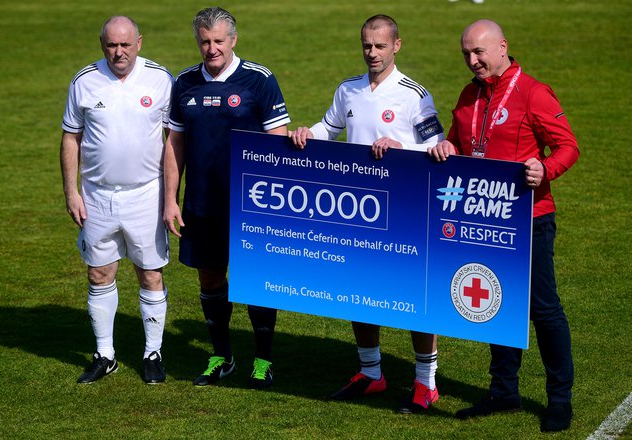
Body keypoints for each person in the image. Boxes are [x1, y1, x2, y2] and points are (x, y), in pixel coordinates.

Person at [428, 19, 579, 432]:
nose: (472, 61)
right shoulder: (467, 95)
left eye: (478, 52)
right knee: (495, 304)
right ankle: (503, 391)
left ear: (502, 47)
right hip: (482, 219)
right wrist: (447, 146)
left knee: (543, 310)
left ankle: (559, 399)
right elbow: (460, 143)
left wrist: (545, 169)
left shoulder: (533, 93)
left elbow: (568, 145)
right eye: (466, 54)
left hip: (530, 219)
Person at [289, 14, 444, 413]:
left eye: (379, 46)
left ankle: (426, 383)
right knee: (359, 292)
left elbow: (440, 151)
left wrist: (401, 148)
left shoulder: (414, 95)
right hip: (359, 211)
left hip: (406, 211)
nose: (372, 53)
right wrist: (308, 134)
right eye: (366, 45)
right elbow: (330, 127)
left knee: (414, 297)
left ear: (397, 46)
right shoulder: (349, 90)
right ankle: (371, 373)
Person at [164, 7, 290, 390]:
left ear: (233, 40)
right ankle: (222, 356)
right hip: (202, 202)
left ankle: (263, 360)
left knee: (255, 278)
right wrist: (171, 198)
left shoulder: (259, 80)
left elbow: (278, 139)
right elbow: (175, 143)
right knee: (211, 276)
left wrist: (275, 201)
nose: (211, 49)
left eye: (219, 41)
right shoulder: (184, 83)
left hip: (251, 204)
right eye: (205, 41)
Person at [60, 16, 174, 384]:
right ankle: (104, 354)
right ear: (102, 44)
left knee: (150, 273)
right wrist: (71, 192)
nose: (119, 52)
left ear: (139, 42)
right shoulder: (83, 81)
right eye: (112, 45)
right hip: (96, 196)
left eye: (126, 45)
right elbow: (70, 139)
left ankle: (152, 353)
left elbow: (175, 140)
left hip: (146, 193)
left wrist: (171, 196)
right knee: (98, 272)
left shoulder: (161, 79)